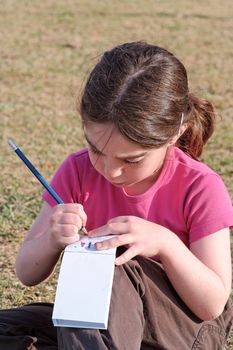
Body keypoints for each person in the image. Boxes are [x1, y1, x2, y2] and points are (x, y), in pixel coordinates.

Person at [0, 41, 233, 350]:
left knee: (112, 263)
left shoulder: (200, 186)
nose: (111, 171)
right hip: (98, 325)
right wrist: (52, 237)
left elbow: (212, 306)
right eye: (97, 150)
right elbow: (27, 273)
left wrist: (166, 244)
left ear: (176, 132)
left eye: (131, 160)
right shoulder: (77, 170)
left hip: (185, 331)